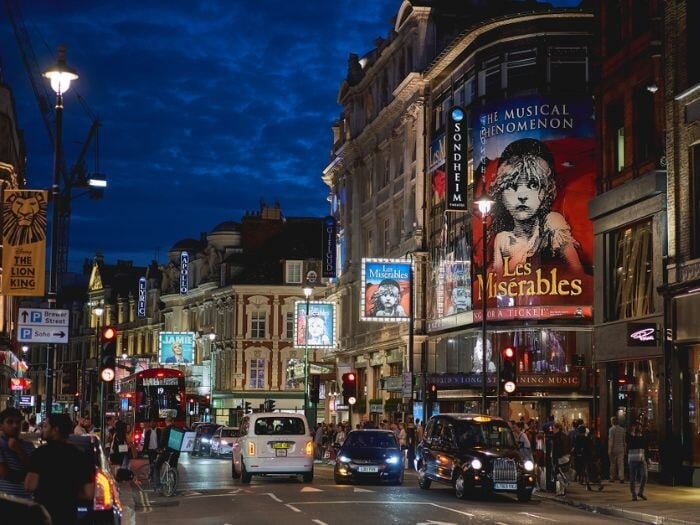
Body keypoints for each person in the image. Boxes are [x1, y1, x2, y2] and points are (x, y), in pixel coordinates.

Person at [488, 138, 584, 275]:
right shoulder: (502, 239)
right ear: (501, 192)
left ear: (547, 190)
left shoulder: (552, 222)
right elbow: (498, 283)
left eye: (533, 185)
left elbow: (577, 273)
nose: (522, 196)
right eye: (512, 186)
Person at [24, 413, 95, 525]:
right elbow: (89, 493)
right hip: (68, 515)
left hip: (43, 515)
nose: (42, 429)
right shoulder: (80, 455)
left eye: (46, 426)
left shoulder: (40, 454)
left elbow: (29, 485)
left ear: (55, 430)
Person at [0, 407, 35, 498]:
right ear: (1, 425)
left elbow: (34, 468)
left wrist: (18, 450)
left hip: (27, 499)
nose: (15, 425)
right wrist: (27, 476)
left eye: (18, 422)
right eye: (10, 422)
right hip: (6, 499)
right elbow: (4, 473)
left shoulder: (29, 445)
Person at [572, 424, 604, 491]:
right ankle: (596, 484)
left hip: (579, 457)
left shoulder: (576, 438)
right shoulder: (587, 439)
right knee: (590, 471)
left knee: (585, 471)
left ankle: (588, 484)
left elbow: (574, 448)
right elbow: (591, 448)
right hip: (587, 457)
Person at [153, 417, 180, 487]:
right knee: (173, 467)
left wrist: (158, 449)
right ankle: (174, 485)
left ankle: (158, 485)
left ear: (166, 422)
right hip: (176, 453)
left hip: (167, 452)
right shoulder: (178, 429)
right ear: (173, 421)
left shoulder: (165, 429)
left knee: (157, 466)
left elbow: (162, 442)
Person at [627, 421, 649, 501]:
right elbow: (629, 444)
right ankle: (633, 494)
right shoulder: (630, 437)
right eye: (637, 426)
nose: (639, 428)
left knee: (645, 475)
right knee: (633, 477)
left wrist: (647, 459)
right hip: (632, 459)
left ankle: (640, 492)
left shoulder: (643, 437)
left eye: (640, 426)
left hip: (642, 459)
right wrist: (632, 433)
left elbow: (646, 448)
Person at [608, 416, 626, 483]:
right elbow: (624, 440)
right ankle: (621, 478)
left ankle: (612, 477)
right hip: (621, 449)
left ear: (612, 422)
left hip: (613, 449)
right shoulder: (622, 429)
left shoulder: (611, 430)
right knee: (621, 464)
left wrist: (609, 450)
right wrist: (625, 449)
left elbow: (611, 441)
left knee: (612, 464)